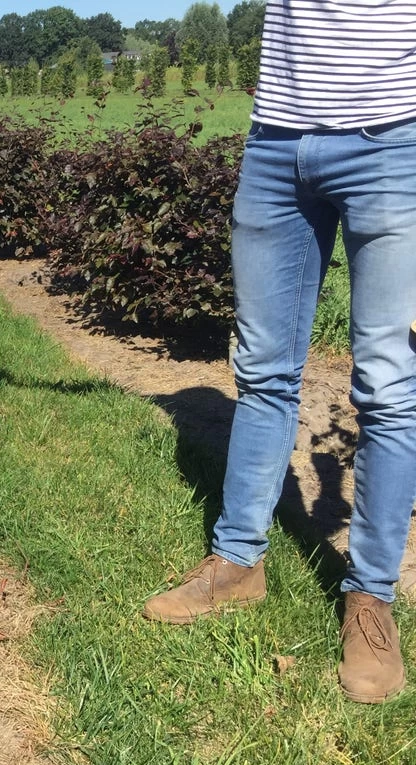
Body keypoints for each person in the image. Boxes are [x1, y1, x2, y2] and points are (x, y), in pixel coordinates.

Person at [141, 1, 416, 704]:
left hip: (393, 140)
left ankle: (370, 603)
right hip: (275, 147)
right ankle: (238, 565)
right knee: (262, 372)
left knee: (385, 384)